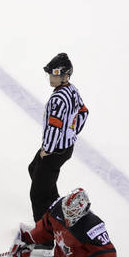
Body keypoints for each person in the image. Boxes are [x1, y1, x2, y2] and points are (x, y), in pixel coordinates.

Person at [28, 53, 88, 222]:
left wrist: (47, 149)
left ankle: (44, 238)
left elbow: (55, 127)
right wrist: (72, 132)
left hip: (54, 151)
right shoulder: (72, 90)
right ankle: (56, 205)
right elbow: (84, 112)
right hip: (64, 148)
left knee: (37, 194)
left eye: (54, 75)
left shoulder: (58, 99)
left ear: (65, 76)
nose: (50, 78)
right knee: (34, 169)